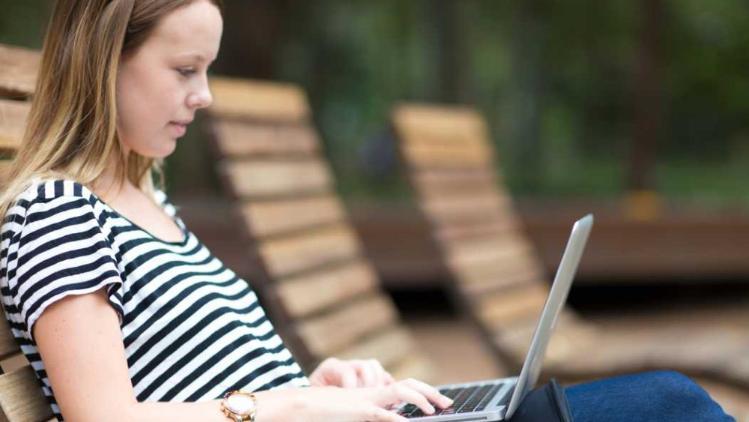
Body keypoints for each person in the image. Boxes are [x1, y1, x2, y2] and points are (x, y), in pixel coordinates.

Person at [0, 1, 735, 421]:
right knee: (666, 405)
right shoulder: (60, 210)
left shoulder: (146, 198)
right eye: (185, 70)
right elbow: (103, 420)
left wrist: (316, 387)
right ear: (104, 64)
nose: (205, 96)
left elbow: (209, 377)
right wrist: (288, 409)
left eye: (208, 71)